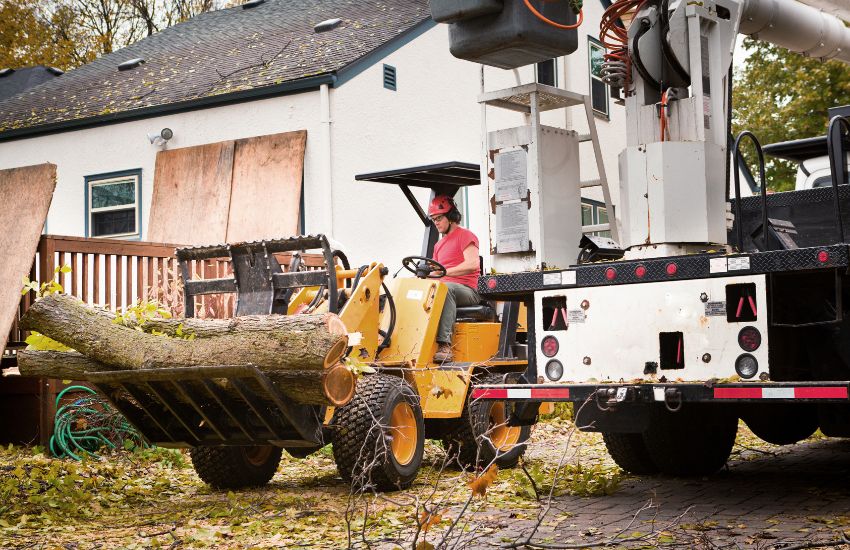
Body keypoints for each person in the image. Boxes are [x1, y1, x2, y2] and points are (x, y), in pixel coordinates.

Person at [427, 194, 481, 362]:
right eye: (434, 219)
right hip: (446, 287)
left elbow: (473, 264)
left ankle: (444, 344)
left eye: (439, 218)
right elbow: (436, 274)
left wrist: (444, 273)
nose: (436, 222)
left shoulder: (465, 236)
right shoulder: (438, 245)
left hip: (469, 290)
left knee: (446, 288)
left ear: (450, 217)